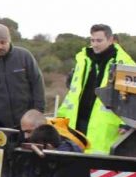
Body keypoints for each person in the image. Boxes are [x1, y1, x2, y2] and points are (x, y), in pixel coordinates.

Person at [57, 24, 135, 155]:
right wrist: (61, 118)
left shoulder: (125, 64)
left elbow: (131, 100)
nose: (95, 44)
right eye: (92, 40)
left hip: (105, 125)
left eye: (99, 40)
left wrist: (127, 124)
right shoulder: (83, 60)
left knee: (99, 165)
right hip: (76, 121)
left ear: (110, 40)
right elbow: (73, 93)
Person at [0, 23, 45, 128]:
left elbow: (37, 82)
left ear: (9, 40)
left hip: (27, 122)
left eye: (3, 42)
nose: (0, 46)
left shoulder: (24, 56)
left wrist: (38, 110)